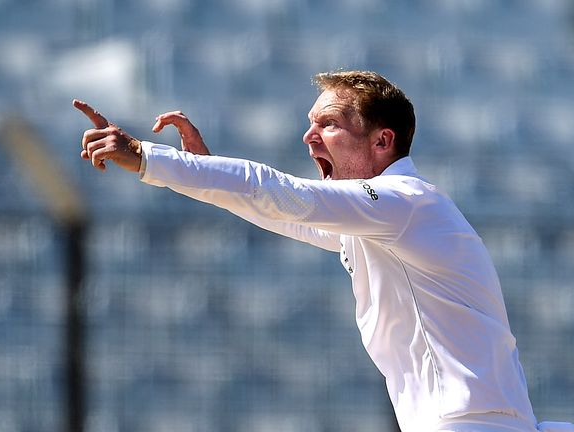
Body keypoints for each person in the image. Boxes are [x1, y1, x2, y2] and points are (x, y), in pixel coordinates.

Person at [74, 70, 539, 432]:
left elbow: (280, 193)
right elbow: (279, 212)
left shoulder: (405, 202)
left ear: (383, 140)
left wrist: (145, 155)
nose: (308, 137)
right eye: (310, 124)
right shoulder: (386, 221)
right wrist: (202, 172)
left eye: (329, 124)